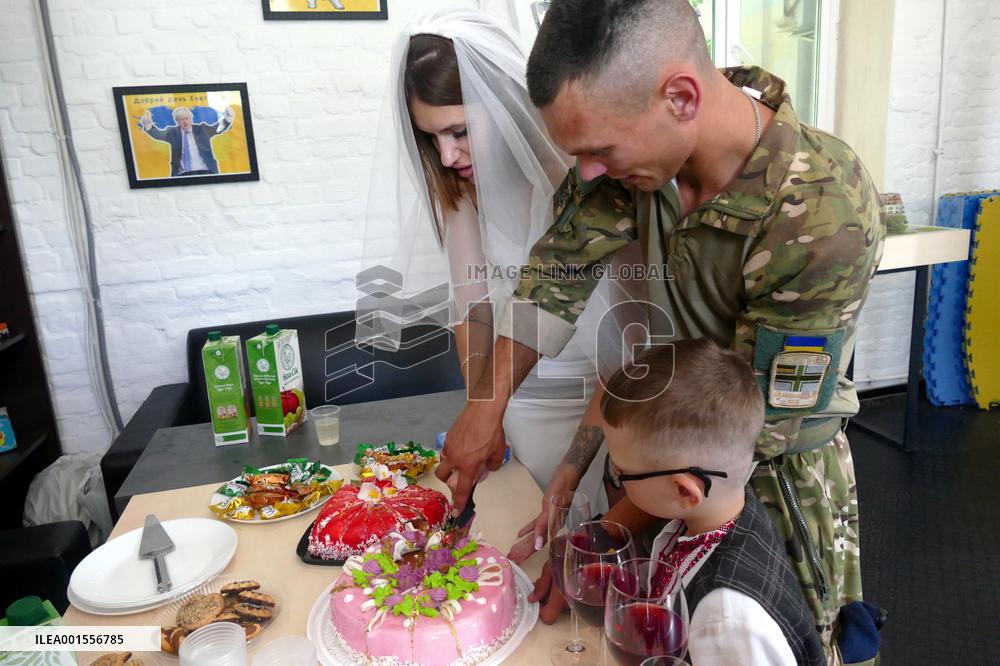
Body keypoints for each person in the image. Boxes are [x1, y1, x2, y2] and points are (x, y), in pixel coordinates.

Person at [436, 0, 886, 659]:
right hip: (660, 470)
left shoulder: (821, 211)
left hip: (762, 487)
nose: (586, 173)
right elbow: (556, 277)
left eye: (599, 151)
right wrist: (485, 408)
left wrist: (606, 535)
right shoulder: (641, 141)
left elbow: (745, 428)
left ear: (681, 97)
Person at [360, 9, 623, 511]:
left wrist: (572, 468)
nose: (446, 156)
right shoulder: (459, 188)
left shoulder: (586, 181)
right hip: (514, 406)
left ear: (502, 104)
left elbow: (626, 354)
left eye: (458, 131)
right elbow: (472, 308)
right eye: (431, 138)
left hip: (600, 409)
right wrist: (483, 411)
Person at [601, 339, 825, 666]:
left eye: (620, 472)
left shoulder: (724, 618)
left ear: (685, 492)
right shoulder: (719, 515)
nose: (616, 476)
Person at [138, 105, 234, 177]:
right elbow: (159, 135)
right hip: (182, 174)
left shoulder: (202, 129)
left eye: (186, 119)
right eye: (181, 120)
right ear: (177, 121)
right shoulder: (173, 132)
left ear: (191, 119)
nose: (184, 122)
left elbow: (218, 128)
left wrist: (228, 118)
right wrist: (148, 124)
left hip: (206, 171)